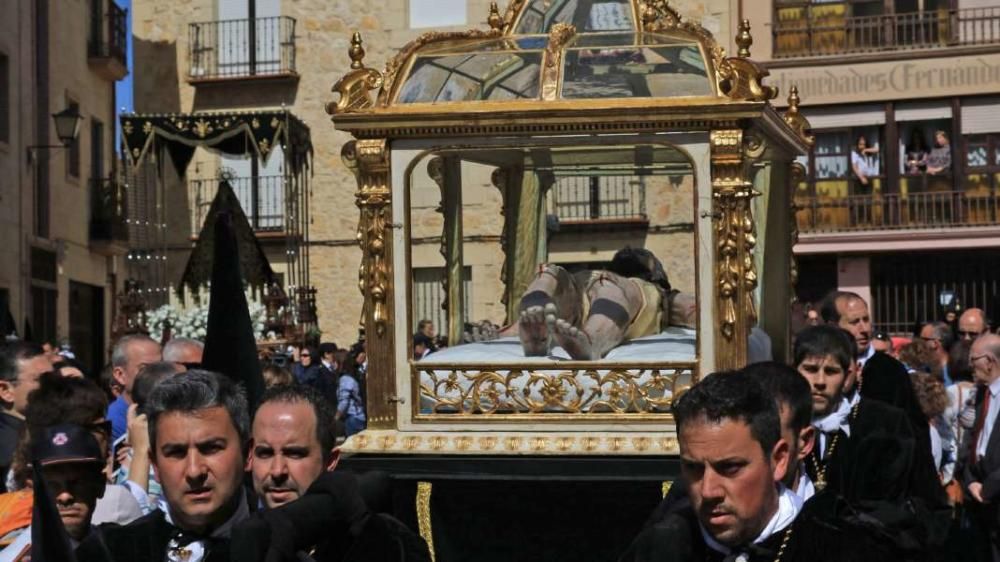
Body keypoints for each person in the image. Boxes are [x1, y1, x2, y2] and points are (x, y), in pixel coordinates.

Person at [621, 372, 894, 562]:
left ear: (779, 460)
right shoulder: (661, 547)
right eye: (693, 469)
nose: (708, 490)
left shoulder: (842, 547)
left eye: (730, 468)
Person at [77, 370, 251, 562]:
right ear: (155, 465)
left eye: (211, 448)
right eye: (176, 453)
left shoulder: (282, 545)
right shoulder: (113, 551)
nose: (194, 471)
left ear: (247, 454)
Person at [794, 325, 945, 512]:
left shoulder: (886, 426)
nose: (820, 382)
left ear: (847, 375)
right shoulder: (785, 425)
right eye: (810, 369)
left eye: (831, 371)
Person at [515, 247, 695, 360]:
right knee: (554, 274)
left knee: (550, 274)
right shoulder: (656, 293)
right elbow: (693, 309)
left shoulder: (655, 293)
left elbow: (691, 309)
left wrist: (498, 332)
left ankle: (589, 339)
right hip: (592, 296)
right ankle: (586, 339)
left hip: (586, 298)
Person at [0, 424, 110, 559]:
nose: (65, 496)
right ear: (32, 490)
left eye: (77, 483)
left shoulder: (117, 548)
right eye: (52, 485)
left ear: (100, 485)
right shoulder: (13, 557)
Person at [961, 333, 1000, 561]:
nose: (969, 365)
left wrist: (988, 489)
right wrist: (970, 480)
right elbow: (974, 441)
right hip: (980, 500)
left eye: (973, 359)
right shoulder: (982, 394)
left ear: (989, 361)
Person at [0, 342, 50, 492]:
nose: (54, 385)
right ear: (6, 391)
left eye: (55, 377)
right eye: (42, 380)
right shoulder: (8, 448)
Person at [107, 335, 162, 442]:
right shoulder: (113, 423)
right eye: (145, 368)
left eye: (160, 367)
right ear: (120, 375)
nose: (157, 374)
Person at [336, 355, 366, 437]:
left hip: (352, 418)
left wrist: (336, 417)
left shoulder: (345, 379)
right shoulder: (356, 376)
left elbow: (344, 401)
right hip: (360, 416)